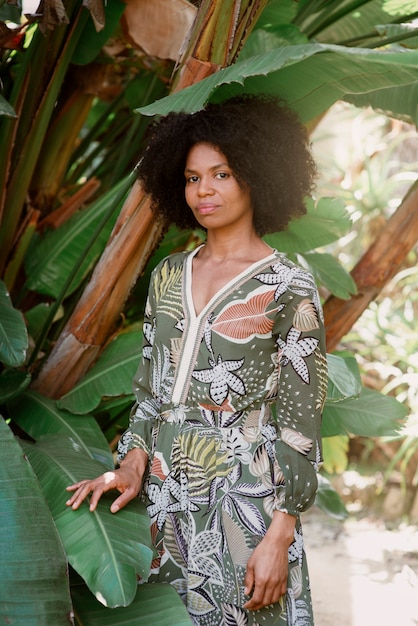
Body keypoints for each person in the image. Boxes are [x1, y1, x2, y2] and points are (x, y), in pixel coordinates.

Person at [66, 94, 327, 626]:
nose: (203, 190)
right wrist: (131, 465)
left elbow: (301, 423)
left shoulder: (289, 286)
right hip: (165, 497)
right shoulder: (167, 274)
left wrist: (282, 531)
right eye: (191, 178)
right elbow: (149, 392)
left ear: (255, 175)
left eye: (221, 174)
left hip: (245, 504)